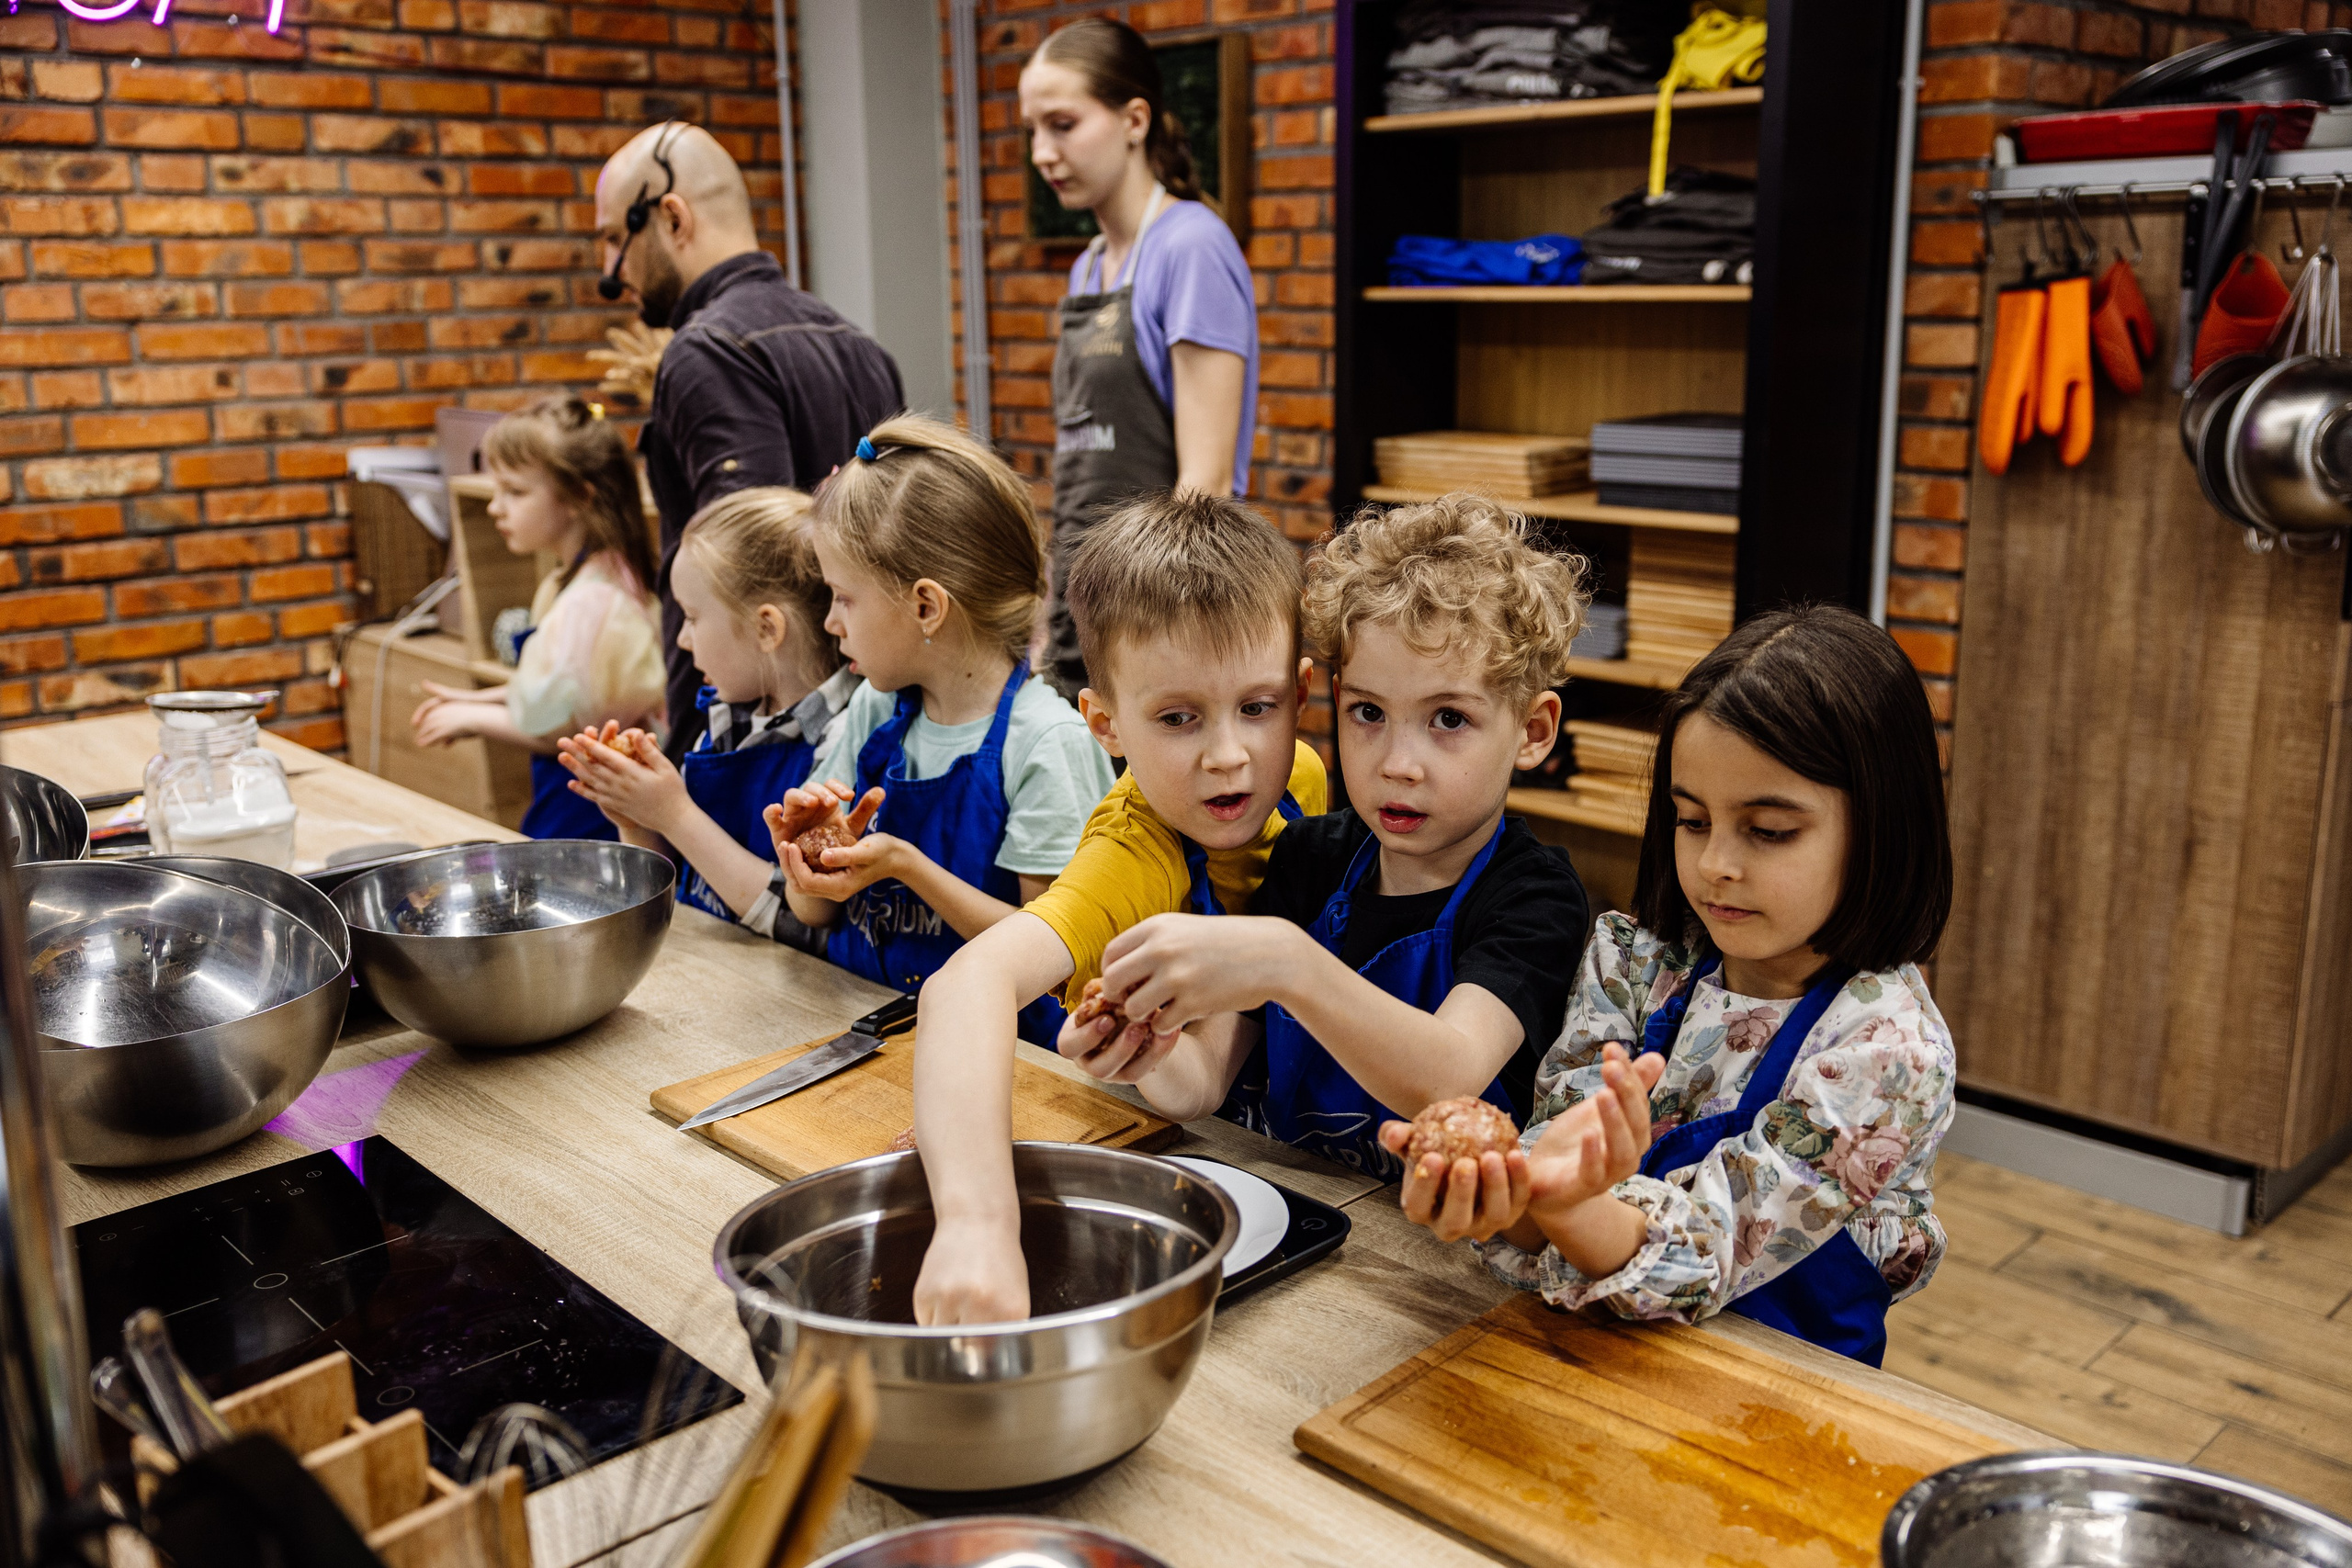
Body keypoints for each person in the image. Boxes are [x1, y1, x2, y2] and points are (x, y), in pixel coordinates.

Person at [1387, 604, 1957, 1367]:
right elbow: (1551, 1173)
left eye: (1769, 830)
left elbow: (1710, 1247)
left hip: (1781, 1392)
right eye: (1691, 820)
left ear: (1885, 826)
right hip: (1581, 1355)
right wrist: (1502, 1194)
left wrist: (1562, 1200)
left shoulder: (1886, 1050)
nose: (1715, 863)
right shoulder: (1634, 962)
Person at [1060, 494, 1593, 1172]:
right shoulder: (1309, 858)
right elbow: (1205, 1081)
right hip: (1313, 1210)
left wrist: (1288, 963)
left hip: (1438, 1234)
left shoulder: (1534, 895)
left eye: (1449, 719)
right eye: (1369, 712)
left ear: (1533, 731)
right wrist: (1145, 1050)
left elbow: (1449, 1076)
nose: (1398, 764)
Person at [902, 490, 1328, 1325]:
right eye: (1178, 718)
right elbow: (966, 986)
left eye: (1257, 707)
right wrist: (977, 1225)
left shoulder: (1304, 778)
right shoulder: (1131, 853)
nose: (1229, 755)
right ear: (1105, 723)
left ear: (1300, 694)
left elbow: (1232, 1039)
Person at [759, 415, 1114, 1034]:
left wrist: (907, 866)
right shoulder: (873, 710)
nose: (831, 623)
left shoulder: (1045, 743)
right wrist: (810, 859)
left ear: (926, 606)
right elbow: (813, 913)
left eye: (844, 597)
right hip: (863, 1033)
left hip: (1005, 1058)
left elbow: (1060, 956)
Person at [593, 119, 904, 759]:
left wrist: (694, 764)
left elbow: (736, 581)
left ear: (671, 218)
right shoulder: (859, 343)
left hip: (765, 749)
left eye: (615, 240)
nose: (611, 271)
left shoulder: (705, 353)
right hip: (865, 723)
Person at [1022, 18, 1260, 703]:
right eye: (1033, 130)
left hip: (1152, 617)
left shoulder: (1191, 247)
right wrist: (1049, 611)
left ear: (1134, 120)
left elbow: (1206, 484)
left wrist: (1151, 638)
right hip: (1082, 602)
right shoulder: (1090, 266)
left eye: (1063, 125)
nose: (1043, 152)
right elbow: (1081, 464)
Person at [552, 487, 854, 944]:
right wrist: (637, 819)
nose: (682, 640)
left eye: (692, 617)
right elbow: (683, 876)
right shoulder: (726, 717)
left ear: (767, 628)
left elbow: (801, 922)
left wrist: (674, 814)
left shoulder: (844, 734)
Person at [411, 395, 663, 840]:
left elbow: (571, 727)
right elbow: (565, 690)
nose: (495, 507)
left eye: (516, 492)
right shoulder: (571, 580)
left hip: (591, 811)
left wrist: (471, 718)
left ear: (579, 496)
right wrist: (479, 699)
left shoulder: (595, 602)